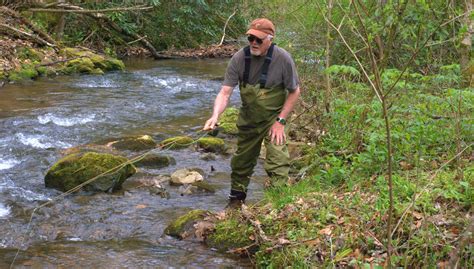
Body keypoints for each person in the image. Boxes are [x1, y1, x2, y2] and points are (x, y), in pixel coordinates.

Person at [203, 18, 301, 207]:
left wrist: (280, 121)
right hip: (249, 119)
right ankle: (236, 203)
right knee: (241, 163)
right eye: (250, 38)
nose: (253, 43)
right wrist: (215, 116)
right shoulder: (239, 58)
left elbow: (295, 91)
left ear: (270, 39)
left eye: (258, 40)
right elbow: (225, 93)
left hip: (274, 119)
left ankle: (280, 204)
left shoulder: (283, 59)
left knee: (278, 161)